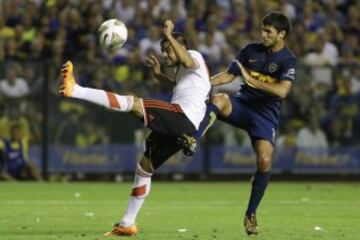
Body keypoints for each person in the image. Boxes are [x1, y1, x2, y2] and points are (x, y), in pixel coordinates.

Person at [59, 20, 210, 236]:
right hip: (183, 122)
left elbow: (186, 59)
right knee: (144, 169)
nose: (165, 55)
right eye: (163, 51)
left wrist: (168, 34)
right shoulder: (184, 73)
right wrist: (159, 76)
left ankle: (76, 90)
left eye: (167, 50)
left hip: (182, 116)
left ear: (181, 47)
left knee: (132, 103)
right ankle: (127, 224)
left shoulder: (194, 55)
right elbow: (182, 87)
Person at [191, 12, 297, 235]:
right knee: (218, 99)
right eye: (263, 30)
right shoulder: (250, 50)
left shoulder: (288, 60)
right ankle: (193, 139)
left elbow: (282, 91)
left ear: (282, 34)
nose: (263, 34)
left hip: (265, 115)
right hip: (243, 105)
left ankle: (251, 214)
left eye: (268, 31)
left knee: (265, 160)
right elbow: (229, 76)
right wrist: (201, 84)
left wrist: (250, 79)